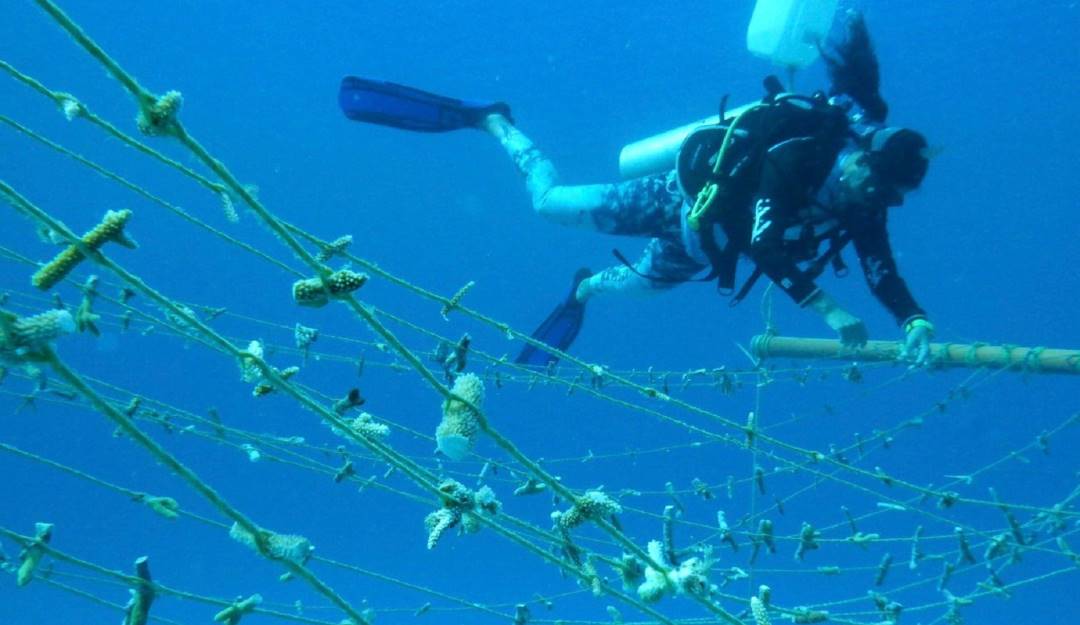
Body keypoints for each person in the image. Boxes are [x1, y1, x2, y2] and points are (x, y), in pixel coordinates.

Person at [337, 13, 935, 367]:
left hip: (700, 247)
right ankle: (494, 120)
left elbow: (881, 267)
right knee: (550, 205)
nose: (867, 194)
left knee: (633, 288)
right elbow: (766, 243)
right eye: (870, 178)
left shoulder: (864, 202)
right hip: (673, 200)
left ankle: (583, 289)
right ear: (863, 152)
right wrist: (828, 309)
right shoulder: (801, 152)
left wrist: (913, 321)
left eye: (882, 194)